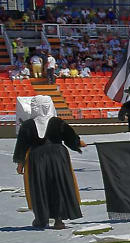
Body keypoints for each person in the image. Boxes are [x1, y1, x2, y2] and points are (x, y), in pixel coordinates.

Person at [14, 96, 82, 230]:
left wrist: (20, 163)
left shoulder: (27, 125)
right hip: (58, 157)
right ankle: (58, 220)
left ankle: (41, 219)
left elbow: (21, 145)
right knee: (58, 185)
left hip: (37, 158)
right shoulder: (58, 122)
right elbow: (70, 137)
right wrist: (78, 143)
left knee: (40, 186)